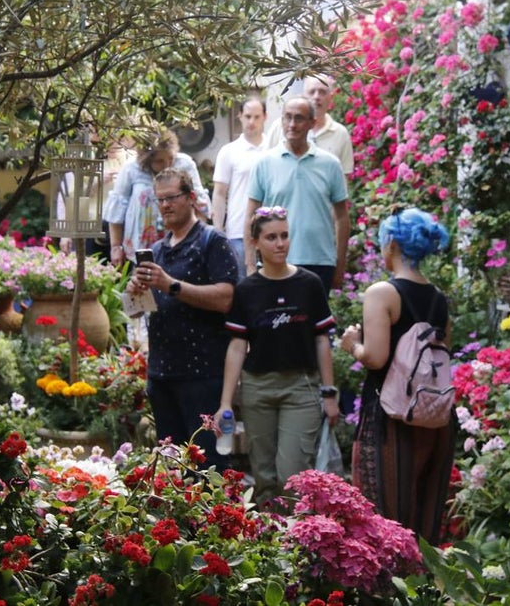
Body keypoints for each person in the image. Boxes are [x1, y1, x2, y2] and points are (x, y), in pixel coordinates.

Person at [338, 208, 455, 542]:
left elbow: (375, 358)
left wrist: (352, 345)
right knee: (423, 514)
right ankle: (424, 587)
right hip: (434, 418)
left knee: (385, 519)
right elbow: (441, 353)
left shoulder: (382, 294)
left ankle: (389, 591)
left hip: (391, 418)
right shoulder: (439, 299)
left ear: (390, 244)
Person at [215, 206, 339, 506]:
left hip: (301, 387)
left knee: (292, 476)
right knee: (265, 477)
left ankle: (300, 539)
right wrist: (225, 403)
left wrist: (329, 391)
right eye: (271, 237)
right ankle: (274, 545)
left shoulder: (309, 284)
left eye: (284, 236)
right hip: (257, 388)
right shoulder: (247, 289)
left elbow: (322, 339)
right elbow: (236, 346)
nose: (280, 243)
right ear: (255, 242)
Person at [125, 168, 239, 470]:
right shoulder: (158, 250)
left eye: (172, 198)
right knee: (171, 467)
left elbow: (226, 298)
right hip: (162, 374)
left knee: (207, 467)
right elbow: (136, 310)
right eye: (160, 200)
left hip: (202, 374)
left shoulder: (211, 241)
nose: (165, 206)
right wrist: (134, 291)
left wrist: (171, 285)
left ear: (190, 198)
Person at [246, 96, 350, 292]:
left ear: (313, 122)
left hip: (320, 262)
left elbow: (342, 217)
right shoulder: (264, 163)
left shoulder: (330, 164)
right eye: (288, 117)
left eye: (299, 118)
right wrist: (251, 264)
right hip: (273, 262)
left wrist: (340, 265)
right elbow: (251, 215)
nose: (292, 124)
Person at [105, 129, 208, 268]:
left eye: (170, 158)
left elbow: (199, 204)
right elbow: (117, 210)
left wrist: (199, 240)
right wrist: (116, 247)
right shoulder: (131, 168)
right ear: (147, 160)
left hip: (181, 247)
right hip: (140, 249)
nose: (167, 164)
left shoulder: (185, 164)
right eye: (160, 161)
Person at [212, 95, 267, 265]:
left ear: (265, 117)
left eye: (257, 117)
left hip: (271, 231)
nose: (252, 122)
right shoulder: (229, 151)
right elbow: (220, 193)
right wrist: (218, 232)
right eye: (248, 116)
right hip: (237, 232)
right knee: (242, 287)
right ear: (240, 116)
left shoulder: (274, 149)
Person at [264, 75, 354, 175]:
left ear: (331, 97)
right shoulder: (281, 127)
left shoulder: (340, 133)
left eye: (322, 92)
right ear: (303, 95)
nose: (316, 97)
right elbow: (265, 166)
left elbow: (344, 176)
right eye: (312, 92)